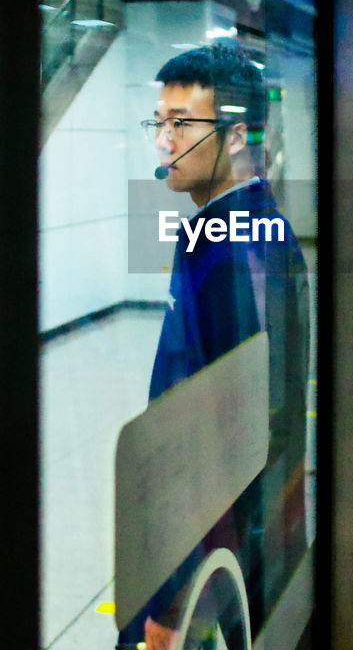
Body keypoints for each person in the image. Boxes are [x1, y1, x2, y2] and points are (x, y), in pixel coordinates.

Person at [121, 43, 310, 650]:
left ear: (234, 137)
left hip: (214, 565)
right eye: (159, 122)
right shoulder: (226, 227)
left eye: (181, 124)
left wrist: (174, 599)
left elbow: (234, 435)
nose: (163, 140)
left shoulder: (235, 250)